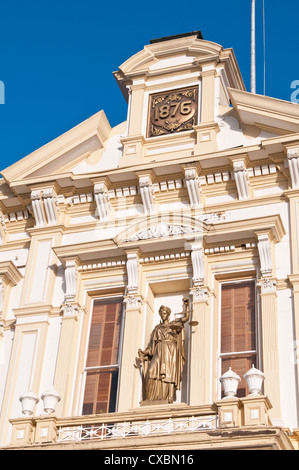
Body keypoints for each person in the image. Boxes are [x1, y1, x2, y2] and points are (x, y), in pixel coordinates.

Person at [138, 298, 190, 403]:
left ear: (169, 314)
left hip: (170, 350)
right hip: (158, 350)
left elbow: (186, 317)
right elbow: (151, 345)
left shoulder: (174, 323)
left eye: (165, 313)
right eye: (161, 313)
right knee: (150, 371)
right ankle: (150, 398)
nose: (163, 315)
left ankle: (169, 397)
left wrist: (187, 305)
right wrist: (145, 352)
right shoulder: (157, 328)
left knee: (170, 372)